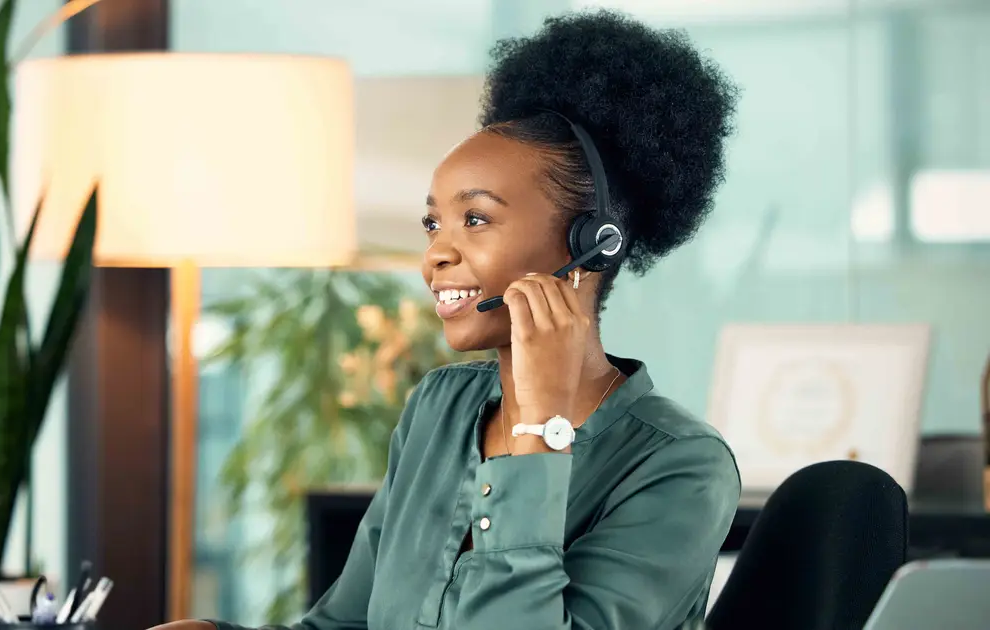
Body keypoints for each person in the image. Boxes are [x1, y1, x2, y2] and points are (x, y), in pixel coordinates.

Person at [155, 9, 741, 630]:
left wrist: (538, 433)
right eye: (434, 222)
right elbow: (344, 624)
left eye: (477, 219)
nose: (436, 252)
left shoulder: (680, 465)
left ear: (591, 244)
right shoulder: (440, 409)